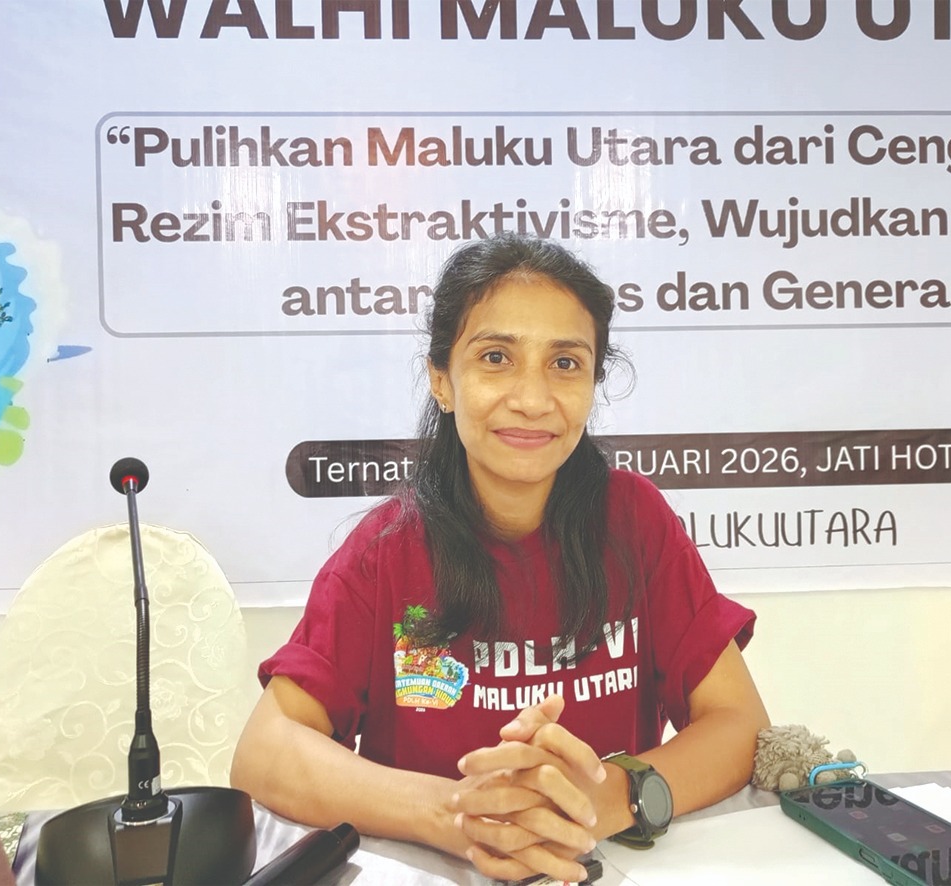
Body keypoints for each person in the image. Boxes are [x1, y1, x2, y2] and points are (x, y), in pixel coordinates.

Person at [231, 233, 770, 883]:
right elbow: (266, 751)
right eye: (496, 357)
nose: (532, 399)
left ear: (593, 382)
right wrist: (457, 812)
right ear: (442, 380)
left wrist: (608, 797)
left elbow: (739, 723)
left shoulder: (635, 522)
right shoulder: (386, 551)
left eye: (565, 363)